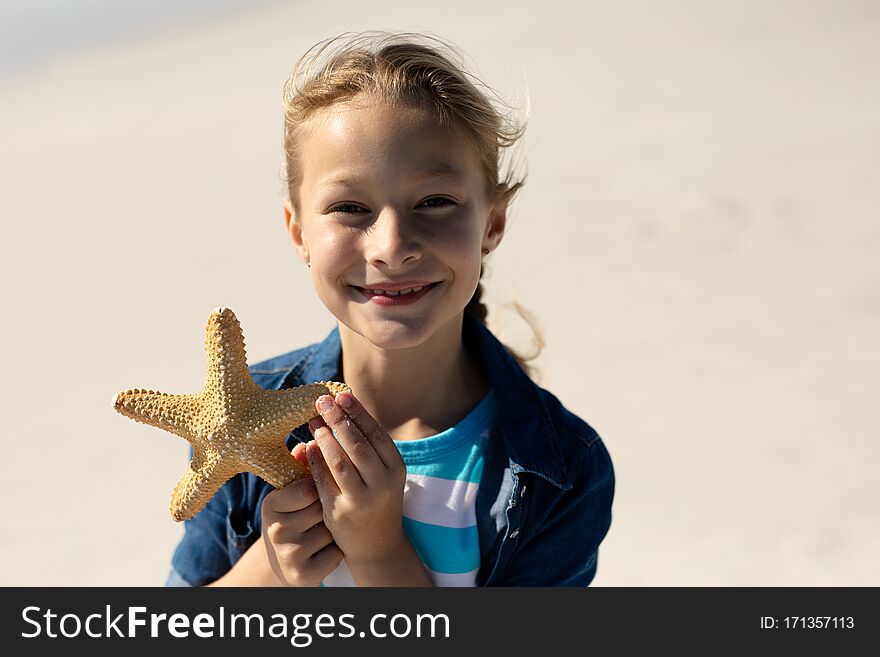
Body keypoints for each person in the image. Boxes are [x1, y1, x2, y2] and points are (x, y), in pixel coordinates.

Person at [167, 31, 614, 587]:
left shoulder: (562, 470)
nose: (393, 245)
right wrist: (267, 569)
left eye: (435, 202)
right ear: (298, 230)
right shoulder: (236, 422)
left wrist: (380, 552)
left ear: (492, 223)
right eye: (351, 208)